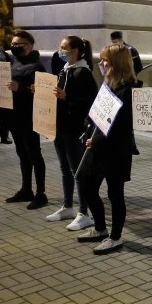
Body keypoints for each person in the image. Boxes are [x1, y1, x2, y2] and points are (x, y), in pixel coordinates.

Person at [76, 45, 137, 254]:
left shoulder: (128, 89)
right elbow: (96, 112)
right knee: (87, 186)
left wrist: (98, 141)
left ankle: (115, 237)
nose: (101, 64)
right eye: (101, 60)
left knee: (115, 194)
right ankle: (100, 228)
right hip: (96, 147)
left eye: (106, 61)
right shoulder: (107, 84)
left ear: (117, 63)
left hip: (115, 152)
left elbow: (122, 126)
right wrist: (87, 126)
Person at [45, 36, 99, 230]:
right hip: (60, 126)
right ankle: (67, 206)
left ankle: (84, 212)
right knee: (65, 169)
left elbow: (91, 102)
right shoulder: (65, 70)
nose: (60, 51)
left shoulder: (83, 72)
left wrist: (68, 97)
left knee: (78, 171)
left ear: (75, 50)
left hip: (75, 128)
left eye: (64, 48)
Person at [3, 30, 49, 210]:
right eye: (13, 44)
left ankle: (41, 193)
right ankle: (26, 188)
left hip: (30, 116)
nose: (14, 47)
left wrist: (19, 88)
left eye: (19, 44)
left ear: (30, 46)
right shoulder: (12, 61)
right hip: (13, 115)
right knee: (22, 153)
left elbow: (41, 93)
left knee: (34, 153)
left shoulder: (37, 66)